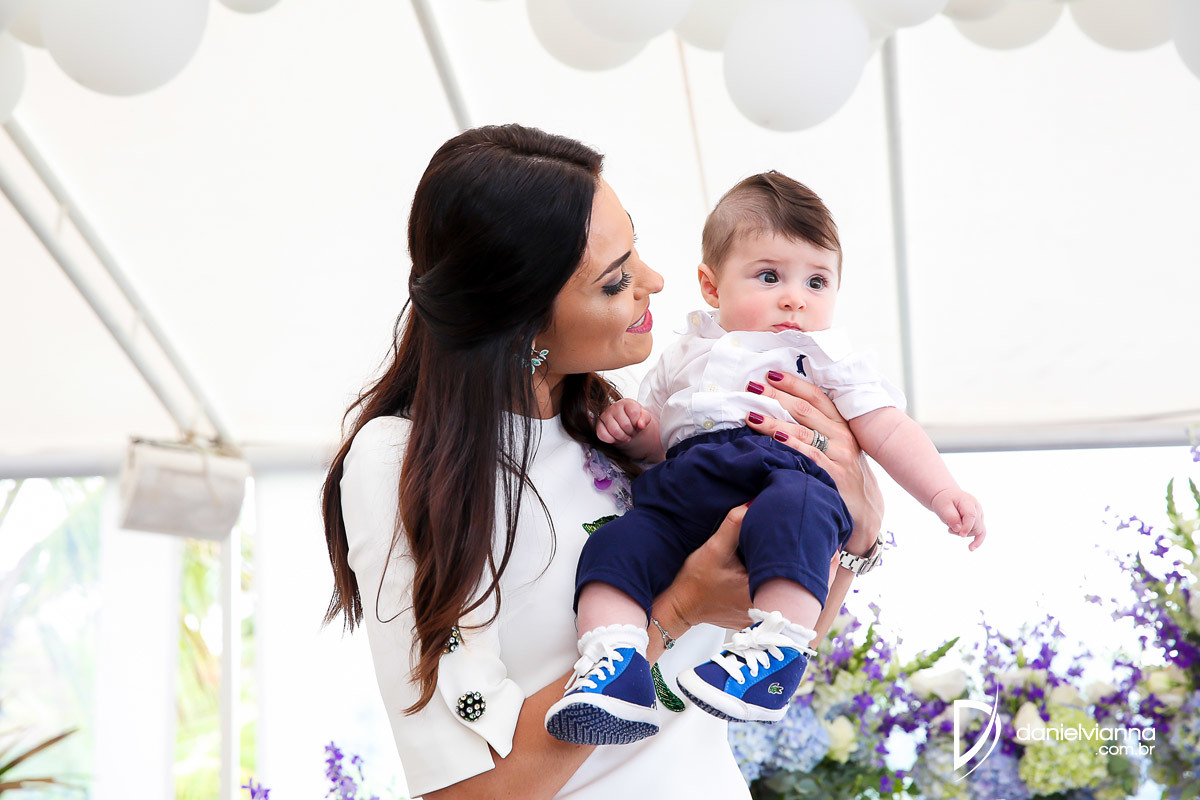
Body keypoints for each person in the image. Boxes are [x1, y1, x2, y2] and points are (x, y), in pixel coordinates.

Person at [321, 126, 885, 800]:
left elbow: (776, 634)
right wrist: (675, 612)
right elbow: (462, 793)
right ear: (521, 321)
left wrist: (859, 529)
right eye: (616, 280)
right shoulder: (402, 463)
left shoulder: (628, 427)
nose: (655, 281)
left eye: (635, 249)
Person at [546, 172, 986, 745]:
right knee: (617, 542)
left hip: (784, 474)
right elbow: (657, 442)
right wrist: (632, 431)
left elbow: (887, 428)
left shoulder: (824, 357)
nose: (794, 298)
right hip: (682, 491)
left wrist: (941, 491)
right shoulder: (684, 352)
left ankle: (777, 648)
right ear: (711, 286)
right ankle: (613, 661)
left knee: (798, 514)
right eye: (770, 276)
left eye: (817, 281)